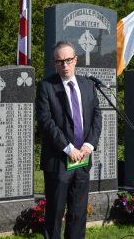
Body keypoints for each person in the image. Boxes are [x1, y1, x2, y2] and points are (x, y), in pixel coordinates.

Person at [35, 41, 102, 239]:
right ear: (54, 63)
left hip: (82, 160)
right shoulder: (46, 87)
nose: (65, 65)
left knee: (78, 214)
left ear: (76, 60)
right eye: (60, 61)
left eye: (68, 60)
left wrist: (89, 144)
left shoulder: (88, 85)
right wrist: (68, 148)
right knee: (55, 215)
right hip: (59, 161)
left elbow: (97, 116)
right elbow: (46, 122)